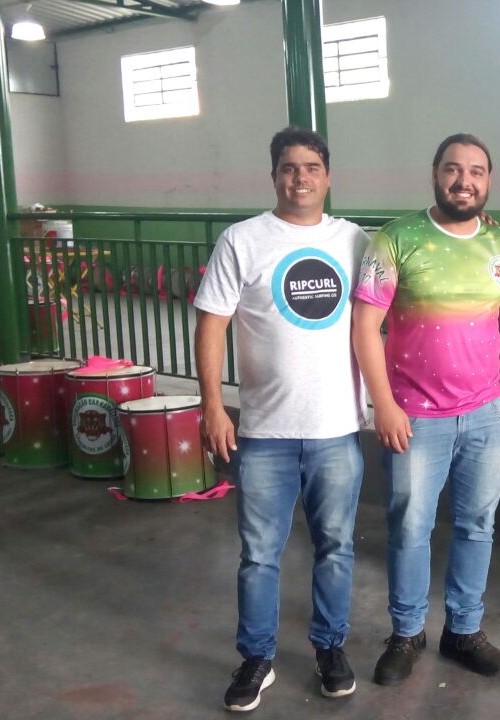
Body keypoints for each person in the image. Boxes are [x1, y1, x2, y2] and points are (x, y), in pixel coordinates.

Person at [352, 133, 500, 685]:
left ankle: (463, 630)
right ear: (435, 174)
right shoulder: (395, 239)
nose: (464, 181)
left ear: (488, 181)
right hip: (415, 418)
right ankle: (407, 632)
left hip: (487, 417)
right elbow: (365, 327)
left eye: (476, 171)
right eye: (453, 169)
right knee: (410, 529)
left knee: (477, 527)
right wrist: (383, 404)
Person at [194, 126, 369, 712]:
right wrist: (212, 405)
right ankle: (256, 658)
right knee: (259, 555)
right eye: (289, 167)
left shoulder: (354, 242)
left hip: (336, 429)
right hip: (265, 432)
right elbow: (212, 324)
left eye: (312, 167)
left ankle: (330, 648)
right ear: (273, 176)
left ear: (328, 176)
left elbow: (397, 290)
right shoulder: (242, 240)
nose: (301, 178)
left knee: (336, 547)